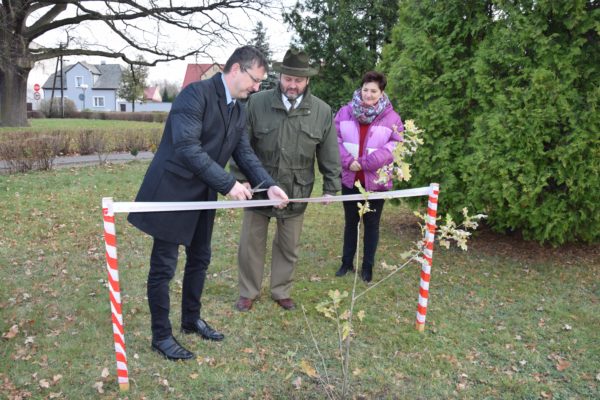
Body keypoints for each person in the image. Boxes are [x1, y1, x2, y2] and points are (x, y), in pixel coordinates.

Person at [127, 46, 289, 361]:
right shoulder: (193, 95)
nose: (257, 88)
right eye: (255, 80)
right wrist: (228, 184)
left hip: (203, 192)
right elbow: (187, 147)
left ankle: (191, 320)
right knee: (163, 267)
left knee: (200, 258)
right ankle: (161, 336)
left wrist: (269, 186)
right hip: (171, 193)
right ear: (237, 70)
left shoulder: (238, 109)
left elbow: (244, 153)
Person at [231, 48, 341, 312]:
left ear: (307, 81)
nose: (292, 85)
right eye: (288, 78)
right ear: (280, 76)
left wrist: (331, 187)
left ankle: (281, 290)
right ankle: (248, 291)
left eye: (298, 80)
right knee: (250, 244)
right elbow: (241, 144)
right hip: (259, 188)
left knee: (288, 247)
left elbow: (329, 153)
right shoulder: (256, 104)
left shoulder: (322, 112)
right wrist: (240, 178)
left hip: (296, 190)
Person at [334, 71, 403, 283]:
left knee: (371, 225)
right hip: (350, 181)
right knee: (351, 223)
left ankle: (367, 266)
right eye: (365, 89)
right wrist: (347, 162)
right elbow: (333, 139)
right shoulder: (345, 112)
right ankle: (346, 262)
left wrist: (364, 163)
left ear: (381, 93)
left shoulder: (392, 118)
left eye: (374, 91)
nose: (369, 94)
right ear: (360, 89)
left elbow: (395, 146)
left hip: (376, 184)